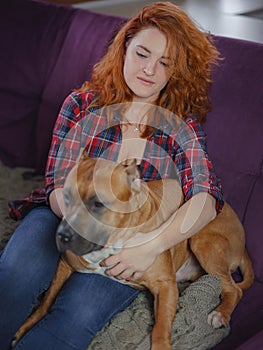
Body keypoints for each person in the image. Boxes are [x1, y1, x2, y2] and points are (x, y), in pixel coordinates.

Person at [0, 2, 224, 349]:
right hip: (62, 215)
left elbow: (206, 200)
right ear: (124, 47)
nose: (149, 69)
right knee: (17, 275)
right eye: (142, 53)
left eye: (164, 62)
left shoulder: (182, 127)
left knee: (78, 315)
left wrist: (148, 247)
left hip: (131, 239)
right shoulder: (82, 104)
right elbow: (57, 185)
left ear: (176, 71)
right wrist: (82, 224)